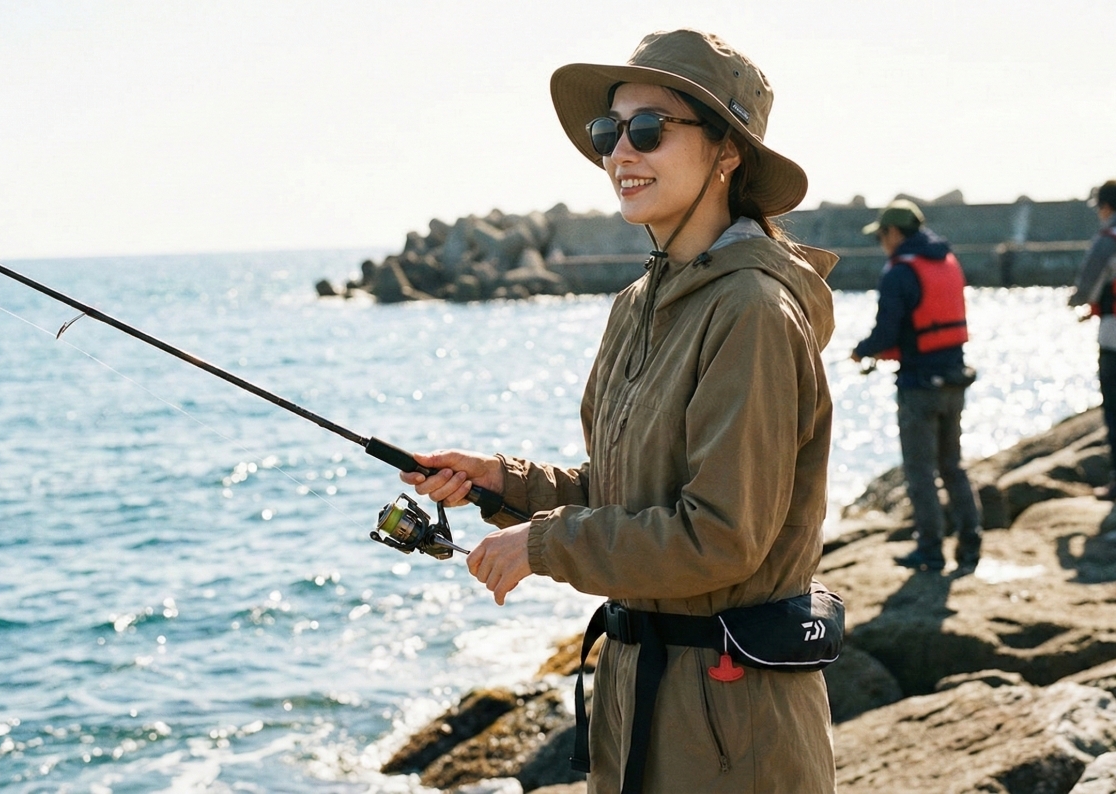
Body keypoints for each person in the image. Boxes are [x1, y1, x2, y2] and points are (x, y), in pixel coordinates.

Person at [401, 29, 838, 793]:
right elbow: (627, 492)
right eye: (609, 132)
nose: (619, 154)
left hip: (734, 729)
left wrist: (547, 545)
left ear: (727, 152)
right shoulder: (638, 302)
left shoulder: (755, 311)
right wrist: (507, 484)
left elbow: (720, 536)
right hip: (637, 702)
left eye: (648, 130)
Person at [851, 199, 982, 573]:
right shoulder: (947, 261)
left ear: (893, 233)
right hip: (955, 379)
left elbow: (886, 332)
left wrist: (861, 352)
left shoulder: (898, 272)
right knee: (953, 466)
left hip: (918, 386)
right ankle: (970, 546)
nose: (880, 242)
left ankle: (930, 550)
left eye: (880, 235)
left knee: (920, 471)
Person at [1068, 180, 1116, 498]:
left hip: (1114, 337)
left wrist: (1078, 303)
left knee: (1113, 407)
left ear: (1106, 207)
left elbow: (1086, 286)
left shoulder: (1107, 239)